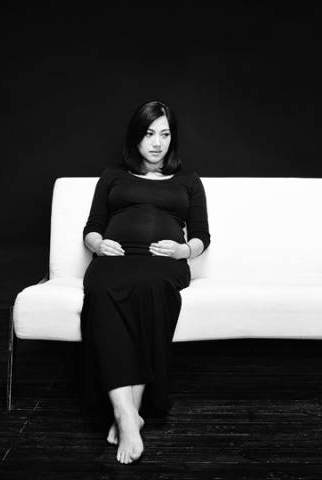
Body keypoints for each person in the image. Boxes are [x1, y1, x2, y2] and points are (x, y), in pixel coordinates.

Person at [81, 100, 211, 464]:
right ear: (135, 137)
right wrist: (97, 244)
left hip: (163, 263)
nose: (157, 143)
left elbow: (202, 235)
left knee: (148, 289)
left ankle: (126, 415)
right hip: (115, 259)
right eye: (149, 134)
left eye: (165, 134)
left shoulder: (188, 180)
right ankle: (128, 414)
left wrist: (182, 251)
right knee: (103, 290)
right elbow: (92, 226)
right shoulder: (113, 176)